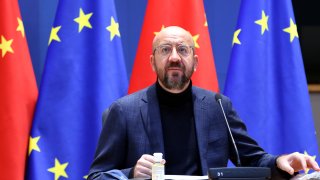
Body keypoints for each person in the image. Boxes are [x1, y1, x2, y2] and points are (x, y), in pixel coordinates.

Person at [88, 26, 319, 179]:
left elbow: (253, 158)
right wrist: (130, 174)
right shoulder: (124, 111)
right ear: (152, 61)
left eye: (183, 50)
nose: (175, 57)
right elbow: (97, 176)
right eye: (165, 50)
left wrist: (280, 161)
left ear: (195, 62)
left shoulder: (218, 106)